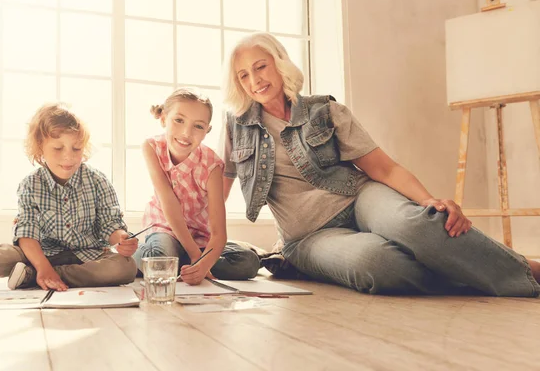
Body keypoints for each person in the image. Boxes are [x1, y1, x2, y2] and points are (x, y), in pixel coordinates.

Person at [220, 31, 540, 296]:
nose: (254, 80)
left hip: (359, 199)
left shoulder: (325, 112)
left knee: (415, 224)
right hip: (308, 237)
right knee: (377, 263)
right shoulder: (236, 126)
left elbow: (383, 169)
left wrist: (428, 202)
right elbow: (217, 188)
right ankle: (482, 272)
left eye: (260, 67)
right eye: (243, 75)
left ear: (279, 64)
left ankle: (526, 272)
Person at [0, 103, 138, 292]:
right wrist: (43, 265)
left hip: (88, 256)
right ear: (40, 148)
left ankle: (32, 276)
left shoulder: (97, 180)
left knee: (125, 268)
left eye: (76, 149)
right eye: (58, 148)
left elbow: (110, 224)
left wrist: (121, 238)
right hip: (38, 253)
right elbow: (27, 233)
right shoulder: (31, 184)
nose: (68, 156)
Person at [133, 88, 260, 285]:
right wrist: (196, 257)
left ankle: (179, 266)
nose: (186, 133)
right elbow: (169, 202)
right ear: (164, 119)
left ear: (207, 130)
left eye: (198, 126)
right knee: (158, 256)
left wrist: (203, 261)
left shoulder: (212, 166)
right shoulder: (151, 147)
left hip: (200, 237)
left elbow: (218, 233)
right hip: (165, 229)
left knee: (248, 262)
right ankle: (168, 261)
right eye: (179, 120)